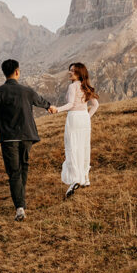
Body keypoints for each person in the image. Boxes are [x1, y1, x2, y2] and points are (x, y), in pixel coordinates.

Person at [0, 58, 56, 222]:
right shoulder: (27, 91)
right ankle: (20, 201)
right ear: (17, 71)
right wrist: (49, 106)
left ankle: (20, 207)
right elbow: (40, 101)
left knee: (14, 171)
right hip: (27, 136)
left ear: (5, 72)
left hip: (9, 138)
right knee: (23, 167)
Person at [52, 62, 100, 199]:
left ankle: (75, 180)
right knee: (84, 147)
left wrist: (57, 110)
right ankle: (85, 178)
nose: (70, 72)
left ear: (79, 73)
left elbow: (70, 104)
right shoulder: (85, 87)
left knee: (72, 147)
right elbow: (95, 105)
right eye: (70, 70)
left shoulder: (73, 86)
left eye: (72, 71)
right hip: (84, 119)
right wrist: (87, 117)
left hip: (73, 118)